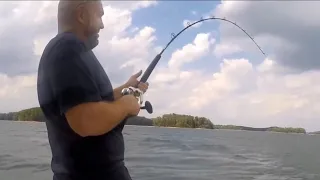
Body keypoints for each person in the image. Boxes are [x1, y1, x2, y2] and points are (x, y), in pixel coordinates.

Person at [36, 0, 149, 179]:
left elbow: (93, 101)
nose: (102, 25)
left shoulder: (72, 51)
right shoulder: (68, 47)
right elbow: (85, 120)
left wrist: (125, 89)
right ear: (81, 15)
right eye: (100, 16)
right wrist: (127, 105)